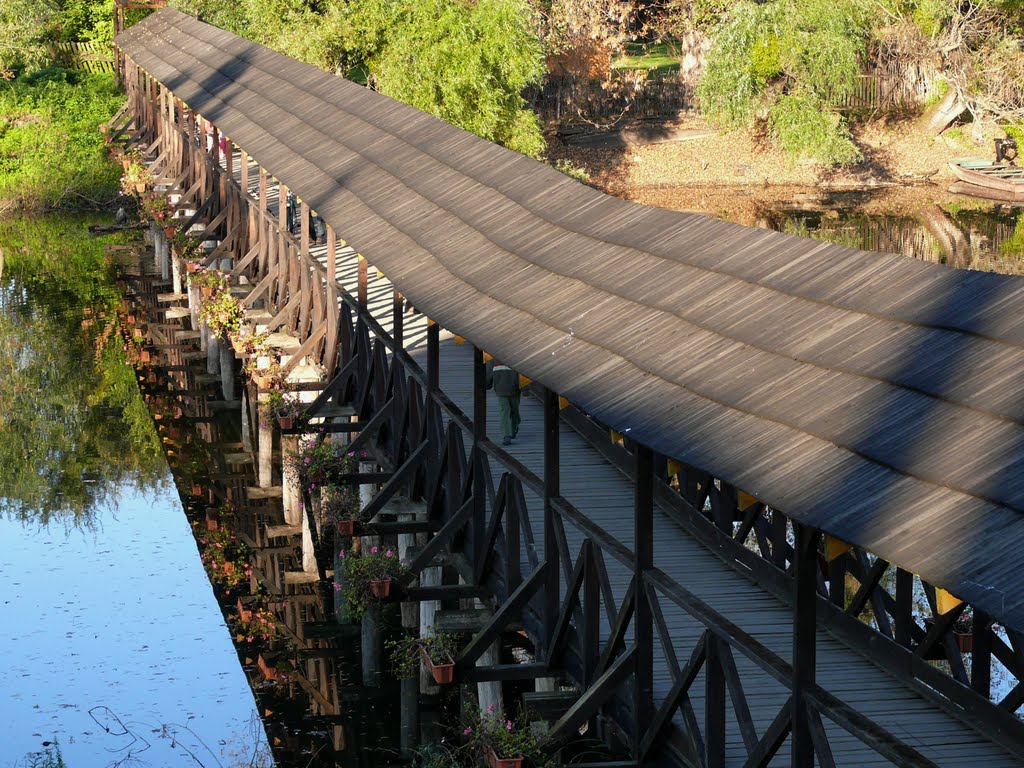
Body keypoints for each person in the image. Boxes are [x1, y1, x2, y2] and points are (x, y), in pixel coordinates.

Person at [486, 359, 521, 446]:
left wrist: (487, 384)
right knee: (508, 411)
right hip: (507, 388)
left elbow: (489, 371)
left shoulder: (492, 356)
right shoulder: (493, 357)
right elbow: (489, 371)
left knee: (510, 411)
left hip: (510, 388)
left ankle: (511, 431)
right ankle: (507, 434)